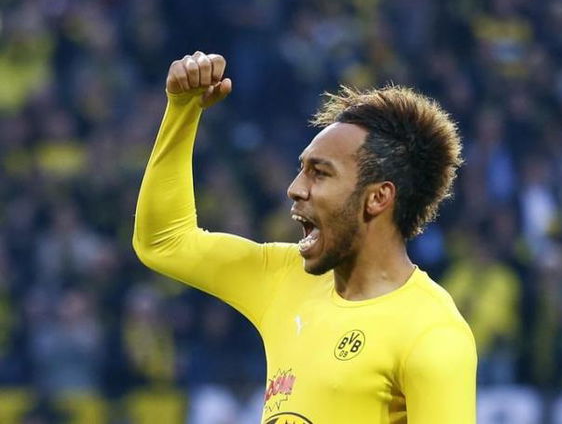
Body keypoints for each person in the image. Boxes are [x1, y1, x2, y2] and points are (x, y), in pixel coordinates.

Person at [133, 51, 477, 424]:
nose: (295, 188)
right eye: (302, 170)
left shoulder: (431, 332)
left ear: (378, 197)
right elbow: (164, 240)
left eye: (320, 173)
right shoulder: (285, 277)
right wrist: (183, 110)